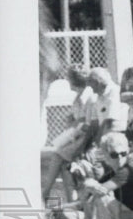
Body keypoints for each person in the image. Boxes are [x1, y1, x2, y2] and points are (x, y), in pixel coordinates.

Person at [41, 65, 97, 204]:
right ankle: (70, 199)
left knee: (58, 156)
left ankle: (45, 193)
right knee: (64, 165)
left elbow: (88, 123)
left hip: (86, 138)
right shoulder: (79, 96)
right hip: (78, 135)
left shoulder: (87, 97)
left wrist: (74, 130)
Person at [87, 67, 129, 140]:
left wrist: (97, 142)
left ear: (98, 83)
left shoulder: (114, 92)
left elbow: (109, 122)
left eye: (92, 86)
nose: (92, 90)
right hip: (105, 135)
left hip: (117, 135)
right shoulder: (98, 96)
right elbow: (95, 122)